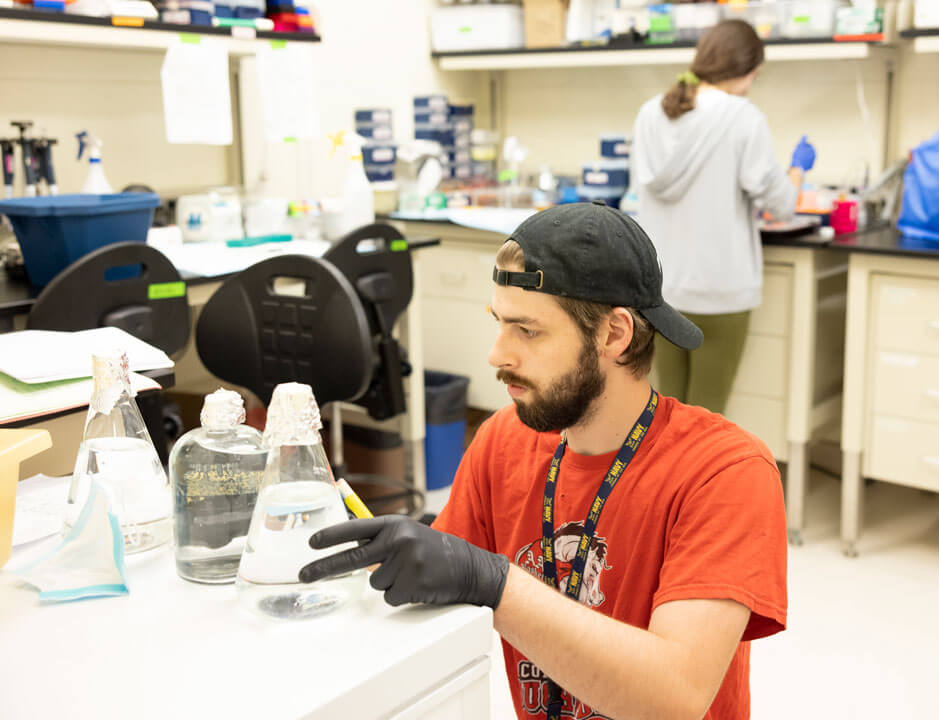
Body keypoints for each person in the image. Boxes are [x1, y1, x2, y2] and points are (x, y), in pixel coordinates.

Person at [301, 202, 787, 720]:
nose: (497, 354)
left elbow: (675, 697)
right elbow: (438, 590)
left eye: (527, 330)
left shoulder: (725, 471)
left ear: (614, 335)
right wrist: (390, 556)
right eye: (499, 323)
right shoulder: (502, 443)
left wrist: (495, 583)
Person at [631, 19, 816, 414]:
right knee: (705, 424)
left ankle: (665, 480)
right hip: (721, 292)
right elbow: (781, 204)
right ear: (746, 70)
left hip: (660, 291)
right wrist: (797, 171)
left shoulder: (650, 113)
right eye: (755, 76)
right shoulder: (743, 117)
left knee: (665, 415)